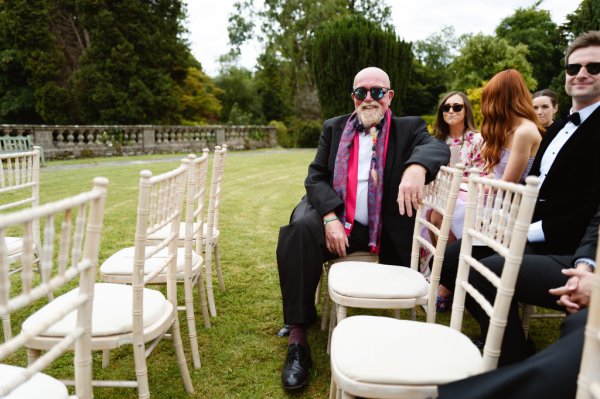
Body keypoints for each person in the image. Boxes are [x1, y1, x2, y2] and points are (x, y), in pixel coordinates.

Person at [276, 66, 449, 390]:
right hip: (337, 213)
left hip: (382, 228)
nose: (369, 98)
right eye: (361, 92)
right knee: (299, 230)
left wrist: (416, 166)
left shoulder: (408, 128)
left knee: (306, 228)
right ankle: (298, 338)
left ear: (389, 96)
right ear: (353, 97)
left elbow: (439, 148)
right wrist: (329, 218)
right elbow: (315, 176)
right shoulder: (334, 127)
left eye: (377, 92)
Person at [439, 30, 600, 366]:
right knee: (454, 257)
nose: (582, 74)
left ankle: (507, 357)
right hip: (531, 229)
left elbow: (589, 211)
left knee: (481, 269)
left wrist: (524, 230)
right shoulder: (556, 129)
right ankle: (511, 342)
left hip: (567, 245)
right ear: (566, 75)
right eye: (574, 68)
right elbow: (535, 187)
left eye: (593, 67)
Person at [436, 204, 599, 399]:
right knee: (464, 261)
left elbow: (577, 217)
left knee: (580, 328)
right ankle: (511, 357)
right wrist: (584, 268)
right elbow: (596, 226)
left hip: (557, 244)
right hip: (582, 264)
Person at [436, 69, 545, 308]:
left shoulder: (525, 131)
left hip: (505, 208)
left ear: (504, 98)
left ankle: (447, 280)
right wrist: (464, 181)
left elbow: (507, 184)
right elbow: (490, 175)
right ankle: (449, 278)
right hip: (491, 196)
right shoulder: (506, 129)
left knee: (446, 206)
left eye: (491, 98)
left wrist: (470, 185)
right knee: (439, 201)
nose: (487, 106)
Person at [418, 92, 483, 293]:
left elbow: (480, 174)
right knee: (428, 212)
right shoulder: (436, 141)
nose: (451, 111)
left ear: (466, 111)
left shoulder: (477, 140)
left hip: (468, 195)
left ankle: (447, 280)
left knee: (438, 214)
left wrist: (453, 179)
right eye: (446, 108)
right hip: (437, 194)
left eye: (457, 107)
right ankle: (440, 273)